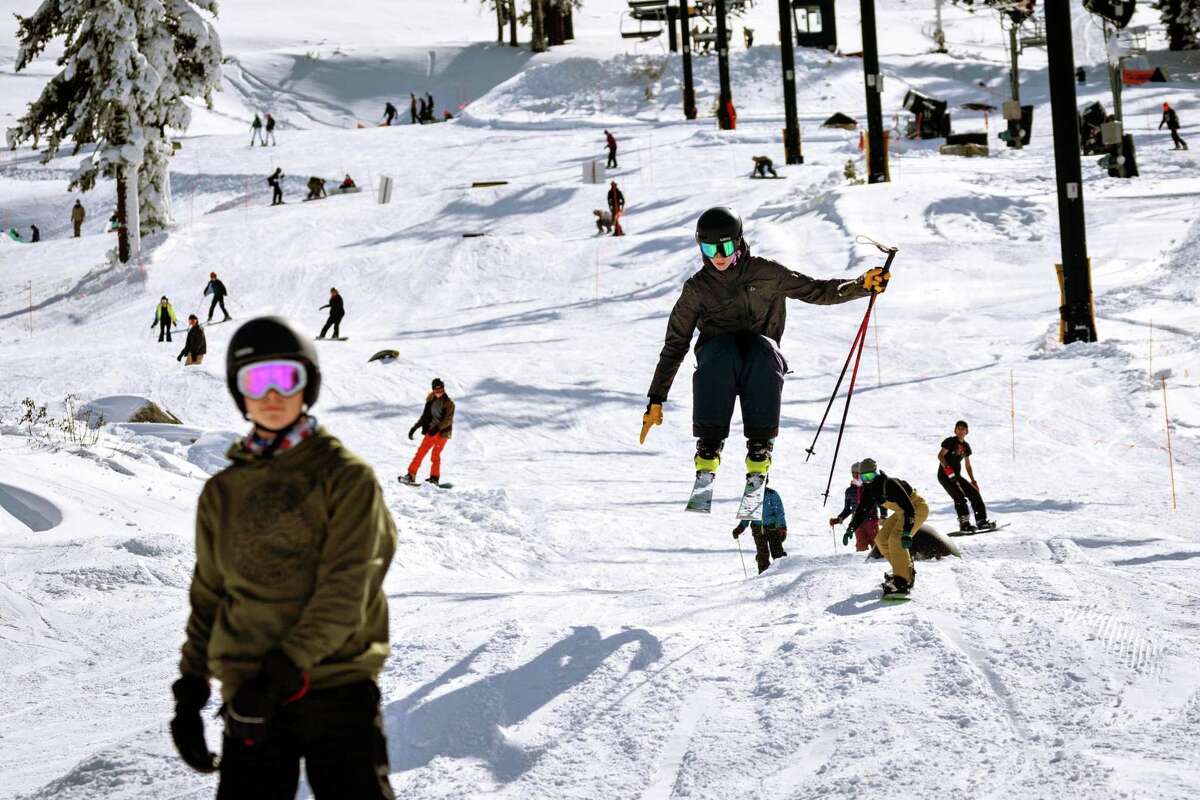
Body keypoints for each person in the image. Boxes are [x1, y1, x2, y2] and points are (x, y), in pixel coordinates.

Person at [169, 316, 397, 799]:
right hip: (251, 696)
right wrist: (191, 689)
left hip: (335, 687)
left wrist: (283, 670)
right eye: (257, 380)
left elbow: (349, 586)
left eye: (285, 379)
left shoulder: (346, 478)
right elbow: (209, 594)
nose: (272, 396)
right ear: (240, 392)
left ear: (306, 385)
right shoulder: (223, 491)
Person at [638, 207, 889, 484]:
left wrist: (862, 285)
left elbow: (817, 290)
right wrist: (656, 399)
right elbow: (676, 343)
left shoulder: (767, 273)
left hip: (760, 359)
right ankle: (708, 449)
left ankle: (759, 450)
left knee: (763, 351)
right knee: (722, 352)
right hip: (718, 362)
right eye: (710, 249)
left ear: (739, 241)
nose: (719, 257)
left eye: (726, 246)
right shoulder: (697, 289)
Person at [844, 458, 927, 599]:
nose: (868, 480)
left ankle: (902, 582)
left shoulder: (890, 484)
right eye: (864, 477)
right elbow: (862, 511)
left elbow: (909, 508)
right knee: (881, 539)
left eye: (870, 476)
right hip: (901, 512)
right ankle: (902, 571)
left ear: (876, 473)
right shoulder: (869, 490)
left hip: (916, 508)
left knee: (896, 539)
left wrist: (906, 532)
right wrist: (851, 528)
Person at [937, 419, 995, 533]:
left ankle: (981, 521)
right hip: (944, 475)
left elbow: (968, 465)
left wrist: (973, 481)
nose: (960, 431)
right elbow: (940, 456)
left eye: (963, 429)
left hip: (957, 475)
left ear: (966, 431)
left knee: (974, 493)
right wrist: (948, 469)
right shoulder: (950, 441)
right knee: (959, 496)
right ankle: (964, 524)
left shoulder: (966, 446)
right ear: (955, 430)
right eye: (958, 428)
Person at [401, 378, 455, 486]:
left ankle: (434, 478)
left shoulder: (449, 403)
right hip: (431, 431)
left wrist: (437, 428)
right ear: (433, 390)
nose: (439, 392)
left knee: (435, 455)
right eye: (436, 390)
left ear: (443, 389)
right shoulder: (430, 400)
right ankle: (411, 475)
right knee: (421, 453)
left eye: (441, 389)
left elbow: (448, 420)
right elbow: (425, 417)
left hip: (442, 433)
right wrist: (415, 427)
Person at [830, 461, 888, 552]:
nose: (855, 475)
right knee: (861, 546)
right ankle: (860, 565)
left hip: (871, 520)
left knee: (877, 545)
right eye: (853, 473)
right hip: (857, 523)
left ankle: (880, 560)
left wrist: (883, 515)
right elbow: (848, 509)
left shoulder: (870, 487)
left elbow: (881, 502)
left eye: (857, 473)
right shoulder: (849, 491)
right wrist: (839, 519)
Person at [732, 480, 787, 574]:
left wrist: (782, 527)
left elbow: (779, 512)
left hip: (772, 528)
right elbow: (748, 514)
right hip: (757, 529)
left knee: (777, 552)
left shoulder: (771, 494)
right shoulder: (751, 496)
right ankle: (763, 575)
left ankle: (782, 573)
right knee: (762, 555)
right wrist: (741, 527)